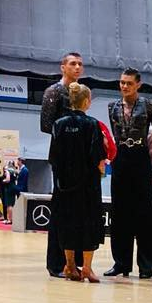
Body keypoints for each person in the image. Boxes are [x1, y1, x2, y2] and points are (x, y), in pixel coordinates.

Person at [106, 69, 152, 279]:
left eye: (129, 83)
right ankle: (121, 263)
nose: (124, 86)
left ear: (138, 84)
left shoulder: (150, 105)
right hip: (120, 158)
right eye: (122, 82)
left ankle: (147, 265)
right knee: (119, 212)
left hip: (141, 158)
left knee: (145, 213)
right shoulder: (112, 106)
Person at [49, 83, 107, 283]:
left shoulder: (58, 124)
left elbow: (53, 157)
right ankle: (87, 269)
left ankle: (70, 265)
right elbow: (98, 157)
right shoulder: (92, 125)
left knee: (67, 223)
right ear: (87, 102)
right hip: (87, 185)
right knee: (89, 223)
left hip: (64, 185)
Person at [40, 52, 84, 277]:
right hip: (61, 157)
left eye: (80, 64)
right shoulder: (54, 91)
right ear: (63, 67)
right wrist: (71, 132)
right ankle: (56, 263)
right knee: (60, 211)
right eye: (73, 64)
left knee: (77, 211)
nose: (77, 67)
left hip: (80, 159)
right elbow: (46, 124)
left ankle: (75, 261)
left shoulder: (81, 92)